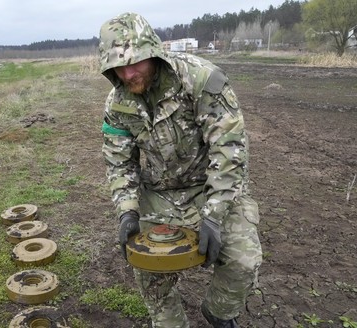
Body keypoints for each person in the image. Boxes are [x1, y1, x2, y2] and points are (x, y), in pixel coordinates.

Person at [99, 13, 262, 328]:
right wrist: (127, 213)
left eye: (136, 62)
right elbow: (119, 162)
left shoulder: (201, 80)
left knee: (243, 262)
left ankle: (218, 312)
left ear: (154, 53)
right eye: (118, 66)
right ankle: (170, 322)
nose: (128, 73)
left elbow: (229, 150)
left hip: (210, 186)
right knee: (148, 271)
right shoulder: (116, 104)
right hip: (159, 193)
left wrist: (213, 216)